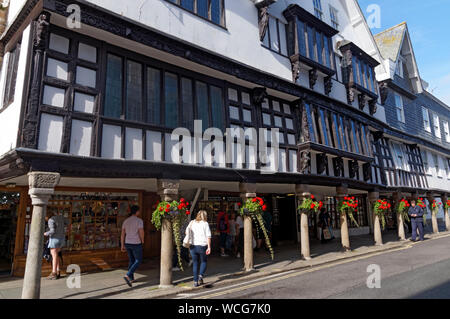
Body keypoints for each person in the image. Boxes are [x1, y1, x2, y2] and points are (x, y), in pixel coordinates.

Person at [121, 205, 144, 287]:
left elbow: (122, 234)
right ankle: (128, 275)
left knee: (131, 260)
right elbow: (141, 232)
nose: (139, 212)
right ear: (137, 211)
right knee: (138, 260)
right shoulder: (139, 221)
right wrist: (142, 240)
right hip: (136, 243)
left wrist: (122, 244)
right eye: (139, 211)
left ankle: (131, 278)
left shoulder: (126, 221)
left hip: (127, 242)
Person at [188, 210, 211, 287]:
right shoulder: (205, 223)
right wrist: (209, 247)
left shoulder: (192, 222)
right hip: (202, 246)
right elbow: (208, 236)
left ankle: (195, 282)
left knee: (195, 263)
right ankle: (200, 276)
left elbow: (186, 232)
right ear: (205, 216)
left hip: (193, 246)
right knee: (204, 261)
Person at [44, 210, 68, 280]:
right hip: (61, 239)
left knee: (54, 255)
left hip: (54, 239)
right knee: (56, 255)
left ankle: (53, 273)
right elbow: (69, 222)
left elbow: (52, 231)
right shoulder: (60, 217)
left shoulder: (50, 220)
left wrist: (45, 233)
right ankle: (58, 272)